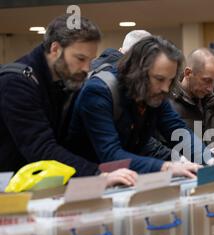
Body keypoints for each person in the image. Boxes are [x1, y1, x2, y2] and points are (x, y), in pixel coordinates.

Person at [0, 14, 137, 187]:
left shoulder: (64, 82)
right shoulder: (16, 83)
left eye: (90, 60)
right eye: (80, 59)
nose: (87, 68)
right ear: (55, 49)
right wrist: (97, 175)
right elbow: (41, 149)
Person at [67, 36, 211, 178]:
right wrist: (167, 166)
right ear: (137, 72)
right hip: (82, 181)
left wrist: (211, 161)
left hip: (124, 178)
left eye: (170, 80)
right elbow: (110, 154)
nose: (166, 88)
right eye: (159, 79)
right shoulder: (98, 91)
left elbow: (178, 130)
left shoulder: (153, 92)